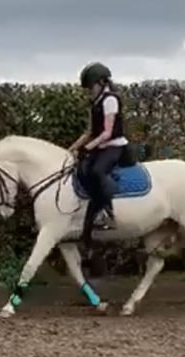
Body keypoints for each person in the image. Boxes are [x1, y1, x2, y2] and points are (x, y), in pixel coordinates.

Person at [68, 62, 129, 246]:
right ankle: (91, 213)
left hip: (115, 146)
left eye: (91, 87)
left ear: (101, 83)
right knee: (82, 170)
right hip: (101, 146)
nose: (89, 91)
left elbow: (107, 133)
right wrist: (71, 149)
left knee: (97, 171)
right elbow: (89, 132)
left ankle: (108, 213)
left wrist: (88, 148)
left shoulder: (110, 100)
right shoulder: (95, 103)